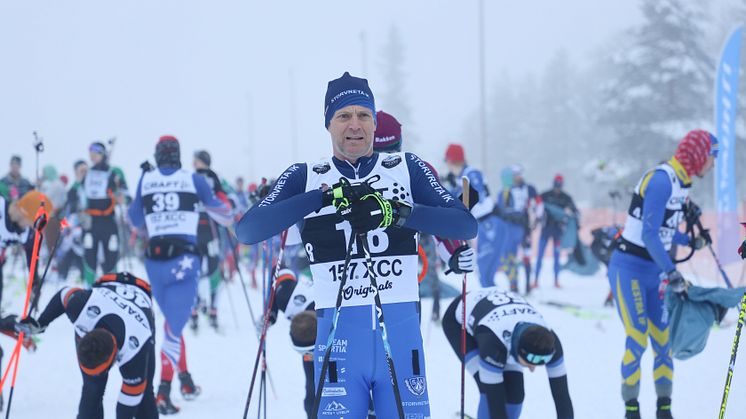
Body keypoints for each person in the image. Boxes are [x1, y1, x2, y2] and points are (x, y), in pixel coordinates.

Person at [236, 72, 477, 418]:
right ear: (328, 123)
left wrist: (394, 212)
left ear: (376, 122)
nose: (355, 125)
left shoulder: (406, 168)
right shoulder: (306, 174)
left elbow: (464, 223)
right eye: (343, 116)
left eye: (364, 115)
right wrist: (319, 198)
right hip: (339, 348)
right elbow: (248, 230)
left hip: (400, 345)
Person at [610, 130, 717, 419]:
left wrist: (690, 241)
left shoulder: (683, 183)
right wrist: (672, 272)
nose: (713, 164)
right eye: (712, 157)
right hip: (629, 267)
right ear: (698, 155)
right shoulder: (661, 180)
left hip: (654, 270)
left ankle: (664, 410)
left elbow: (665, 232)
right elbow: (649, 233)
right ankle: (631, 410)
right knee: (637, 338)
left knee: (664, 342)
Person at [128, 136, 232, 414]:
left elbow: (134, 220)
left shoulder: (146, 178)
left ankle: (184, 380)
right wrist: (220, 195)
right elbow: (224, 214)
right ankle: (162, 391)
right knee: (173, 329)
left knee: (173, 324)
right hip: (184, 261)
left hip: (155, 262)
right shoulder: (193, 179)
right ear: (178, 156)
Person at [16, 272, 157, 419]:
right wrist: (41, 323)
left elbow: (126, 407)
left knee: (144, 397)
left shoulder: (136, 348)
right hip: (106, 288)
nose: (94, 374)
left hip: (141, 295)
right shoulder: (81, 308)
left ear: (115, 357)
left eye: (98, 371)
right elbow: (63, 295)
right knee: (92, 388)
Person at [442, 287, 573, 419]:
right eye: (530, 361)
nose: (532, 368)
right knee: (488, 391)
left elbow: (562, 397)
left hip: (500, 317)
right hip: (458, 323)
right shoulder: (494, 344)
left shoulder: (552, 344)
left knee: (515, 395)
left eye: (542, 362)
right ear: (518, 350)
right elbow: (495, 404)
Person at [442, 144, 499, 288]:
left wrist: (457, 191)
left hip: (489, 223)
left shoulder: (471, 173)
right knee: (482, 269)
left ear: (452, 161)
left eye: (447, 162)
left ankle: (494, 299)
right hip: (480, 225)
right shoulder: (461, 176)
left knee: (485, 267)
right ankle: (489, 296)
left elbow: (476, 196)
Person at [191, 150, 232, 331]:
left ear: (202, 161)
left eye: (196, 160)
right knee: (194, 271)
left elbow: (226, 203)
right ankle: (196, 308)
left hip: (210, 230)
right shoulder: (191, 177)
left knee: (214, 270)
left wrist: (223, 212)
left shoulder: (213, 178)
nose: (194, 163)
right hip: (195, 231)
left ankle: (212, 309)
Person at [80, 142, 128, 284]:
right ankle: (87, 290)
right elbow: (77, 195)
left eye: (96, 153)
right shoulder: (87, 173)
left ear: (103, 154)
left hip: (108, 221)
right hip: (91, 223)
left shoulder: (113, 172)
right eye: (91, 153)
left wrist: (120, 195)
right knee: (89, 258)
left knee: (111, 258)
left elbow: (127, 195)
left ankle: (111, 287)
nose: (92, 156)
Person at [535, 174, 578, 289]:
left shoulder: (566, 198)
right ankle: (535, 280)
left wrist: (570, 213)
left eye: (559, 186)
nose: (557, 188)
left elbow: (575, 212)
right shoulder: (545, 195)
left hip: (558, 231)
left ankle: (556, 280)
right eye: (556, 185)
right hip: (546, 229)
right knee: (540, 255)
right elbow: (536, 205)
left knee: (557, 256)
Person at [508, 165, 542, 294]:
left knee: (526, 255)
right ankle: (513, 285)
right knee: (512, 256)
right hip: (512, 227)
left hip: (525, 226)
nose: (518, 177)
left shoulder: (529, 188)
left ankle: (527, 285)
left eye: (519, 174)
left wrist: (537, 219)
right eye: (515, 174)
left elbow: (539, 204)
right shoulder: (509, 189)